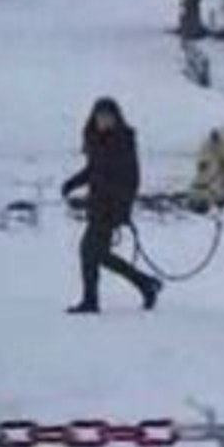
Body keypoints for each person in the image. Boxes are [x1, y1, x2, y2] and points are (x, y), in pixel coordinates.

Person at [61, 97, 162, 314]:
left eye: (108, 117)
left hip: (111, 208)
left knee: (89, 251)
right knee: (98, 254)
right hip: (97, 205)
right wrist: (72, 183)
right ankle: (146, 284)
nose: (104, 121)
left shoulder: (123, 142)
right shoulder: (96, 140)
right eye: (100, 116)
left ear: (116, 118)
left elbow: (132, 179)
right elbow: (93, 171)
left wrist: (122, 210)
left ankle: (92, 300)